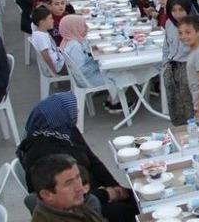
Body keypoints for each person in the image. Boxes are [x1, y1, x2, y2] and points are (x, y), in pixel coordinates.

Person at [17, 93, 138, 221]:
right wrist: (107, 194)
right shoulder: (43, 155)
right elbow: (67, 197)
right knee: (127, 211)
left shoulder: (66, 131)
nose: (76, 113)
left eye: (77, 178)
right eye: (69, 183)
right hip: (82, 201)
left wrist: (115, 186)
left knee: (136, 197)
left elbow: (92, 160)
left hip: (86, 198)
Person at [29, 154, 105, 222]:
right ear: (47, 195)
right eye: (69, 183)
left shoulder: (71, 205)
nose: (79, 188)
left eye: (78, 177)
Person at [163, 0, 195, 126]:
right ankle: (180, 131)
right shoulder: (169, 24)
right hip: (172, 67)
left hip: (188, 67)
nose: (177, 14)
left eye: (181, 10)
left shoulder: (195, 27)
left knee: (189, 105)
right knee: (175, 105)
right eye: (174, 10)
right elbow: (166, 46)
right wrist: (165, 64)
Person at [31, 5, 65, 76]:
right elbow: (45, 56)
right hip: (59, 66)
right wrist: (53, 72)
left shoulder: (41, 33)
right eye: (50, 18)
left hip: (58, 61)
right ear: (42, 22)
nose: (53, 21)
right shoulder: (41, 37)